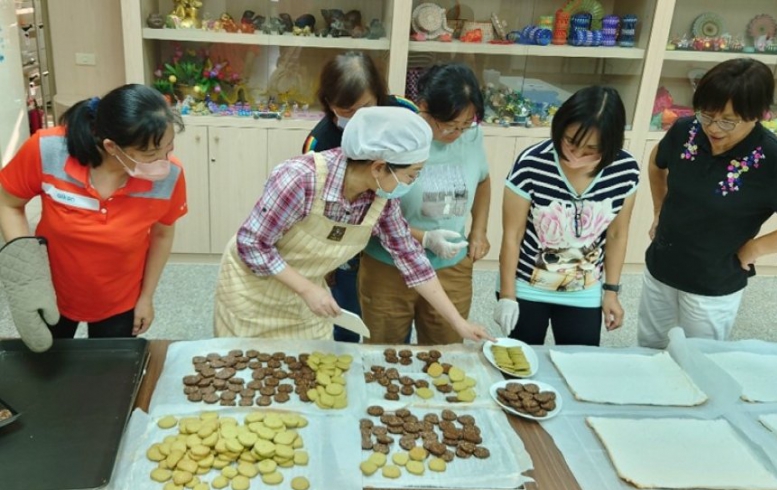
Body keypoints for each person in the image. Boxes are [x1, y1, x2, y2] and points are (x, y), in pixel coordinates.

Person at [213, 106, 492, 344]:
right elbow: (251, 244)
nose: (412, 183)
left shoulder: (381, 199)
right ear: (379, 167)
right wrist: (307, 289)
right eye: (412, 174)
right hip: (253, 293)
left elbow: (412, 259)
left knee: (310, 372)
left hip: (304, 298)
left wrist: (458, 323)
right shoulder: (301, 179)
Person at [638, 58, 777, 348]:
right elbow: (657, 163)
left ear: (757, 115)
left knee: (700, 359)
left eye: (728, 120)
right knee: (650, 348)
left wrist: (756, 248)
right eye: (707, 114)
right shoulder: (686, 130)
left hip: (713, 282)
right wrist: (658, 210)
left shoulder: (775, 160)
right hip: (662, 265)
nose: (713, 128)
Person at [0, 84, 187, 343]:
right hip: (52, 292)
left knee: (109, 375)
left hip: (120, 299)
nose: (162, 162)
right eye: (150, 154)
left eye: (168, 148)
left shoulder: (169, 176)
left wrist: (146, 297)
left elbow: (163, 234)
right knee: (47, 367)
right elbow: (8, 203)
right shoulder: (48, 150)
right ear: (112, 147)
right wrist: (29, 279)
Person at [495, 85, 640, 346]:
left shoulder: (625, 170)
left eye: (591, 149)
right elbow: (512, 235)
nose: (576, 154)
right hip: (527, 286)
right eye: (571, 141)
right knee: (520, 370)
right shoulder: (531, 163)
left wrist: (611, 292)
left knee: (579, 364)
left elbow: (617, 234)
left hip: (584, 289)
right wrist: (507, 295)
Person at [358, 63, 491, 345]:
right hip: (388, 265)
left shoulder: (472, 136)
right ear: (424, 107)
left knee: (446, 348)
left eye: (465, 125)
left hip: (450, 264)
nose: (457, 133)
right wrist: (425, 238)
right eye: (449, 125)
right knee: (383, 349)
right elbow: (372, 208)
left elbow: (483, 180)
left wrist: (479, 230)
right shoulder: (398, 136)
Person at [302, 51, 418, 343]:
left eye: (364, 108)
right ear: (329, 104)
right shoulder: (319, 144)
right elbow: (314, 217)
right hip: (345, 240)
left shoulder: (405, 114)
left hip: (393, 229)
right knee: (347, 317)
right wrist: (325, 265)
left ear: (379, 95)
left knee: (391, 321)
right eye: (345, 111)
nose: (356, 121)